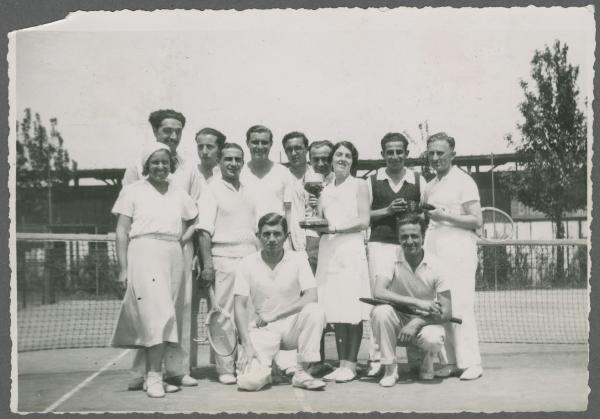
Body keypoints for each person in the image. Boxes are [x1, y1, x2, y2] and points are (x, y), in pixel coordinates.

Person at [123, 109, 202, 390]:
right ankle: (143, 373)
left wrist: (186, 242)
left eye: (178, 130)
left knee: (179, 309)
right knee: (148, 310)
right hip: (147, 248)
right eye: (167, 130)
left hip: (178, 247)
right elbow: (130, 211)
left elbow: (195, 210)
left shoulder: (189, 167)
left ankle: (177, 371)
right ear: (156, 131)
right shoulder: (136, 166)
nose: (173, 135)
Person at [233, 213, 327, 391]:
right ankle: (275, 367)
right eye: (266, 234)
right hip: (262, 331)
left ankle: (301, 371)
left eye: (277, 234)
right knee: (248, 383)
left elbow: (311, 296)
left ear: (286, 236)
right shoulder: (246, 263)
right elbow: (239, 305)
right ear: (258, 236)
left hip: (291, 328)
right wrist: (246, 345)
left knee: (315, 310)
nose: (271, 239)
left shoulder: (299, 259)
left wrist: (274, 315)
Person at [422, 132, 483, 381]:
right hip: (435, 249)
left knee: (460, 306)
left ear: (452, 155)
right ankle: (450, 362)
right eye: (431, 154)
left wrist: (445, 215)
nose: (435, 158)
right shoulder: (430, 185)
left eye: (440, 153)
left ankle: (472, 362)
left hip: (459, 250)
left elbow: (477, 220)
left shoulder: (464, 181)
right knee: (441, 307)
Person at [195, 143, 258, 385]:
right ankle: (224, 368)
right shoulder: (211, 190)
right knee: (223, 316)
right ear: (220, 162)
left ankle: (246, 364)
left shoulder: (248, 190)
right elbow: (204, 232)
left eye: (237, 159)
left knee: (249, 314)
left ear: (243, 162)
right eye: (228, 159)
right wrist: (208, 265)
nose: (233, 163)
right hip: (223, 259)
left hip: (249, 259)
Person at [365, 132, 427, 377]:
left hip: (409, 245)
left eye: (399, 151)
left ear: (406, 153)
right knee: (381, 301)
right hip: (380, 244)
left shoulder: (419, 180)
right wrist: (387, 210)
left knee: (413, 295)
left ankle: (416, 356)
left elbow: (426, 215)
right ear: (382, 155)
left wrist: (414, 213)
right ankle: (377, 358)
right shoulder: (371, 180)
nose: (394, 156)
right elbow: (363, 216)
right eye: (389, 152)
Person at [310, 141, 371, 383]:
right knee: (335, 307)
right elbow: (321, 220)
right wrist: (315, 216)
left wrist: (334, 228)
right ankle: (342, 363)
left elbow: (364, 220)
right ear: (332, 159)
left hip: (349, 249)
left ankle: (351, 363)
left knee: (352, 308)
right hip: (329, 249)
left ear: (352, 160)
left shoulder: (360, 185)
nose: (342, 158)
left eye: (347, 155)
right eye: (338, 154)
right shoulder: (324, 187)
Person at [370, 216, 452, 387]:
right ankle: (390, 368)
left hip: (424, 322)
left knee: (434, 338)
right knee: (380, 311)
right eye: (404, 237)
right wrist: (417, 302)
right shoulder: (389, 257)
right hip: (397, 321)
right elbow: (378, 292)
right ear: (398, 239)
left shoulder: (438, 265)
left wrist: (417, 322)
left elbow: (446, 312)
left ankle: (427, 361)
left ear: (423, 237)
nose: (410, 241)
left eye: (415, 236)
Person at [240, 125, 290, 221]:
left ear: (271, 144)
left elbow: (289, 209)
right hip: (246, 231)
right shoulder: (240, 172)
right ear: (247, 143)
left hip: (274, 233)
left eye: (264, 143)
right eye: (255, 142)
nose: (260, 146)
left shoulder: (283, 172)